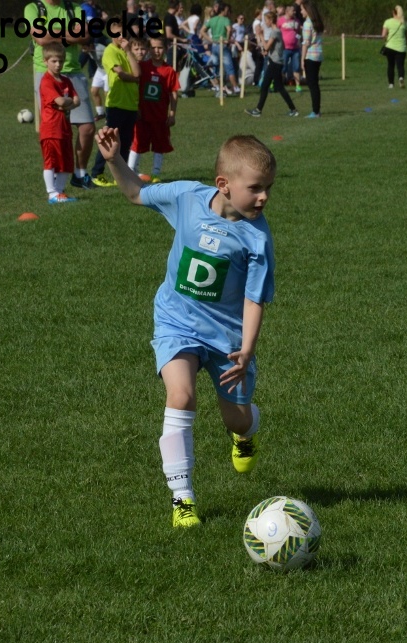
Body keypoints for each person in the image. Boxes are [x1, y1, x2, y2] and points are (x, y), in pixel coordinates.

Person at [94, 129, 277, 528]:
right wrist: (114, 160)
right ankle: (182, 498)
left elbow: (254, 300)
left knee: (236, 419)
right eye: (255, 188)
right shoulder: (186, 197)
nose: (264, 197)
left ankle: (246, 433)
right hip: (176, 322)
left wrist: (247, 349)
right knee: (181, 395)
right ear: (223, 185)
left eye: (268, 188)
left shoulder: (257, 238)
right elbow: (135, 193)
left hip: (228, 338)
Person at [25, 0, 98, 190]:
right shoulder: (34, 8)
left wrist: (54, 34)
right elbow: (41, 38)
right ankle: (55, 178)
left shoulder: (75, 9)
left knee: (88, 127)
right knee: (54, 130)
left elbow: (85, 35)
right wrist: (69, 34)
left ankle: (79, 174)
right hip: (46, 74)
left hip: (74, 71)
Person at [91, 34, 142, 186]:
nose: (122, 37)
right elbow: (121, 74)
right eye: (118, 33)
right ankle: (97, 174)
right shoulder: (110, 51)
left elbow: (138, 73)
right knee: (109, 140)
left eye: (125, 34)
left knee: (125, 142)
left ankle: (121, 176)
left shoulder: (127, 51)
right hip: (116, 104)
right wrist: (135, 78)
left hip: (130, 104)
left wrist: (128, 51)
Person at [129, 36, 180, 182]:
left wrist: (172, 113)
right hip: (142, 115)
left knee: (159, 144)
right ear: (148, 49)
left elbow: (173, 93)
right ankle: (130, 170)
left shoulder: (169, 71)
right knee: (137, 142)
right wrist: (136, 108)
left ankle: (156, 173)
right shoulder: (141, 67)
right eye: (153, 47)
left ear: (166, 49)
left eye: (160, 47)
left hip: (160, 116)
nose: (156, 51)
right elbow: (134, 88)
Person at [38, 43, 80, 204]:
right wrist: (66, 102)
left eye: (61, 61)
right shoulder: (47, 81)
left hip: (64, 128)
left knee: (66, 161)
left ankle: (60, 192)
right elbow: (61, 101)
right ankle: (52, 193)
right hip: (51, 129)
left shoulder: (66, 80)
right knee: (51, 162)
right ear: (45, 61)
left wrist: (65, 103)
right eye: (54, 61)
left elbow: (77, 101)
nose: (58, 64)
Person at [244, 10, 299, 118]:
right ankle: (293, 110)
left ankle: (258, 110)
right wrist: (267, 52)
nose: (265, 23)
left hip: (275, 63)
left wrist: (260, 34)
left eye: (266, 20)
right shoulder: (276, 32)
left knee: (265, 86)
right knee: (278, 87)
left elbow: (267, 46)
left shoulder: (275, 32)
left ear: (270, 20)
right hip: (275, 61)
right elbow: (275, 47)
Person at [202, 3, 240, 94]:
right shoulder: (226, 19)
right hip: (223, 46)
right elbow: (229, 29)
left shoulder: (212, 20)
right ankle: (235, 87)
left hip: (214, 46)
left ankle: (218, 86)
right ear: (222, 10)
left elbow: (202, 31)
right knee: (229, 68)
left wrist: (210, 40)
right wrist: (227, 39)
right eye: (227, 10)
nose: (228, 12)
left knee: (216, 68)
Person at [300, 0, 324, 118]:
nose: (301, 11)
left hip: (310, 56)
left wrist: (302, 59)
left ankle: (315, 111)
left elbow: (306, 43)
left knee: (312, 84)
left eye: (302, 9)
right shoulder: (317, 22)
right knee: (314, 84)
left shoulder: (307, 24)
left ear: (307, 10)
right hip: (318, 55)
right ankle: (316, 110)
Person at [381, 5, 407, 89]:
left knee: (390, 65)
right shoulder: (405, 23)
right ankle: (401, 77)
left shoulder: (388, 22)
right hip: (401, 47)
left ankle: (391, 84)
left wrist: (386, 40)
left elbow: (383, 35)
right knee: (400, 65)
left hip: (390, 47)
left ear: (393, 12)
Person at [279, 5, 302, 89]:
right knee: (283, 67)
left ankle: (298, 86)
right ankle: (280, 84)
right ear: (287, 12)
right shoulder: (281, 20)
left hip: (295, 49)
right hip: (285, 48)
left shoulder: (297, 21)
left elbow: (298, 33)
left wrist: (298, 40)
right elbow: (276, 31)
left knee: (296, 67)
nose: (294, 12)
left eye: (295, 11)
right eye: (293, 11)